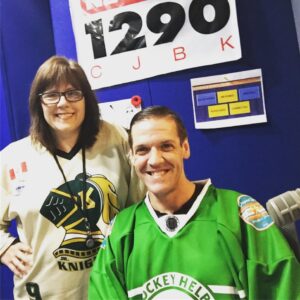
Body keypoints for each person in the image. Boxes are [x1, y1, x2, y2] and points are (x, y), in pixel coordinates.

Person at [89, 105, 300, 300]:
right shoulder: (121, 231)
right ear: (132, 157)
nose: (154, 160)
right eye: (142, 150)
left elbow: (283, 290)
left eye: (166, 146)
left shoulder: (238, 213)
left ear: (185, 148)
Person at [0, 55, 145, 299]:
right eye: (51, 95)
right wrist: (4, 247)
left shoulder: (115, 138)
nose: (62, 103)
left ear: (86, 98)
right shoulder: (13, 158)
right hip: (43, 292)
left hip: (113, 289)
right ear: (39, 103)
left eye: (72, 93)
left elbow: (143, 207)